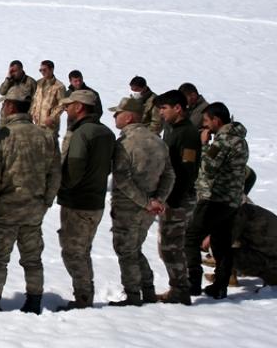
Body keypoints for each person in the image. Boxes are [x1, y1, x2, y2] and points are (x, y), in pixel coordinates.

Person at [0, 91, 59, 314]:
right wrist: (46, 201)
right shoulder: (45, 136)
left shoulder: (3, 135)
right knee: (33, 259)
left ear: (10, 106)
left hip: (5, 210)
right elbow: (55, 174)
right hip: (34, 209)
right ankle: (34, 301)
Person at [107, 97, 175, 307]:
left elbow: (122, 179)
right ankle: (147, 289)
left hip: (129, 207)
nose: (115, 116)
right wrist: (157, 200)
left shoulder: (125, 144)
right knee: (134, 248)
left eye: (118, 113)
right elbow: (169, 175)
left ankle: (134, 295)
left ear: (129, 116)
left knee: (126, 250)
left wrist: (147, 202)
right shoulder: (157, 140)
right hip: (149, 209)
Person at [55, 89, 115, 311]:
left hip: (77, 202)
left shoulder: (81, 133)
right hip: (95, 200)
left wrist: (62, 186)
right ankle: (84, 294)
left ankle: (83, 298)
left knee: (73, 252)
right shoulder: (106, 132)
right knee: (83, 249)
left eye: (69, 106)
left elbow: (75, 167)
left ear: (79, 107)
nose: (66, 110)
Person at [187, 102, 248, 300]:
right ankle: (220, 286)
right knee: (221, 243)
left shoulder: (223, 141)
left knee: (191, 237)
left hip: (215, 198)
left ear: (216, 120)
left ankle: (192, 282)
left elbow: (209, 167)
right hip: (231, 200)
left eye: (206, 121)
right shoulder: (239, 139)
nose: (205, 125)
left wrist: (204, 145)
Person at [155, 89, 202, 304]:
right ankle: (178, 287)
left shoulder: (188, 134)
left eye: (164, 108)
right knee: (167, 246)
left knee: (172, 247)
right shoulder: (173, 130)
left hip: (178, 198)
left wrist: (172, 199)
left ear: (178, 108)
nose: (161, 113)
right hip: (170, 196)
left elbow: (187, 171)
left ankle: (181, 290)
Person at [232, 194, 277, 286]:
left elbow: (226, 240)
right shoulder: (250, 209)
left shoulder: (240, 214)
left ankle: (271, 276)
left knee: (224, 252)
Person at [32, 60, 65, 140]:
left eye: (45, 70)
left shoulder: (59, 86)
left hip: (50, 126)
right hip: (37, 123)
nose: (42, 72)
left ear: (52, 69)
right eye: (41, 70)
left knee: (50, 149)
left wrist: (52, 118)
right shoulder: (38, 83)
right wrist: (33, 113)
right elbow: (34, 100)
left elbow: (62, 105)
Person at [0, 60, 37, 125]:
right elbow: (1, 92)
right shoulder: (9, 80)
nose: (12, 73)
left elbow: (35, 99)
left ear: (21, 70)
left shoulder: (31, 82)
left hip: (21, 116)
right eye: (11, 71)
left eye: (14, 71)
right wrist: (8, 79)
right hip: (6, 115)